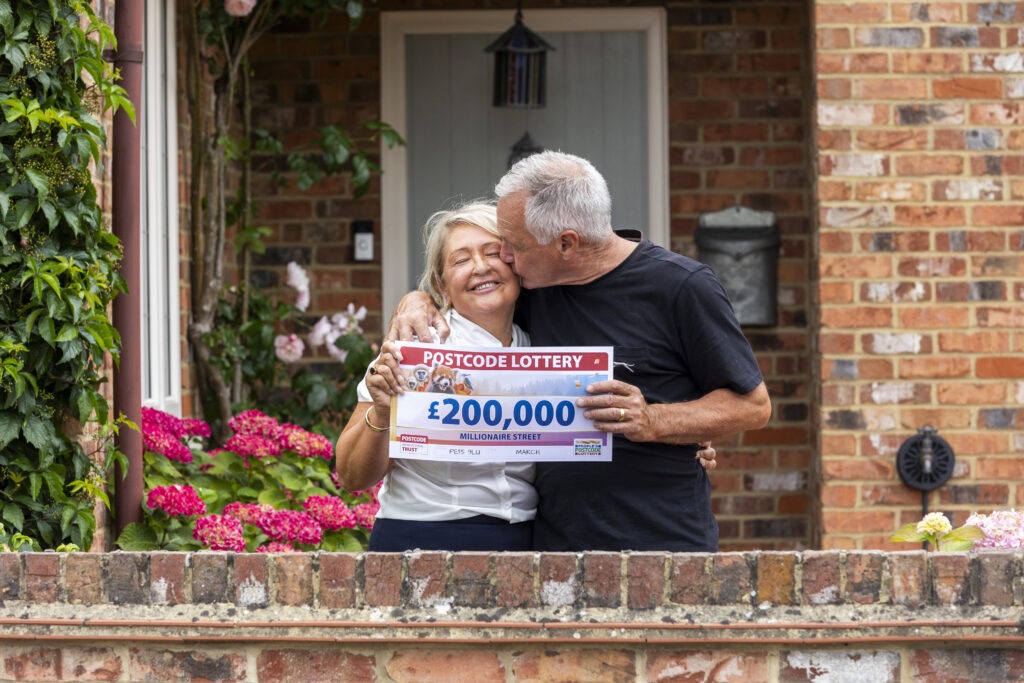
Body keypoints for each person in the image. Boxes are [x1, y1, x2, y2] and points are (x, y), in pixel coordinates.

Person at [386, 151, 771, 552]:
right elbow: (467, 297)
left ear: (567, 243)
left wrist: (655, 419)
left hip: (663, 541)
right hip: (554, 544)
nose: (505, 259)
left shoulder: (681, 287)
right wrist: (416, 301)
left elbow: (753, 406)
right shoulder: (536, 289)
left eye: (514, 246)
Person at [335, 202, 540, 551]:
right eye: (461, 260)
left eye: (493, 253)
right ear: (441, 285)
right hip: (422, 537)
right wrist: (383, 414)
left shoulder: (544, 344)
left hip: (524, 538)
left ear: (516, 265)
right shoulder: (413, 351)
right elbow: (352, 476)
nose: (480, 267)